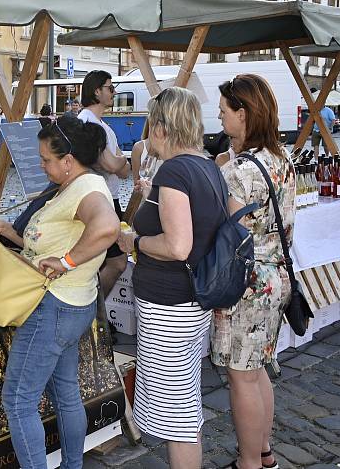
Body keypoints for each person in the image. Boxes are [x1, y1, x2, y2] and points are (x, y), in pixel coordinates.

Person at [0, 115, 119, 469]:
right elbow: (45, 244)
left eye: (46, 160)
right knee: (66, 393)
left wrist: (67, 261)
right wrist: (8, 230)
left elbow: (107, 228)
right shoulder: (78, 186)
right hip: (73, 304)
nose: (41, 166)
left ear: (68, 162)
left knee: (18, 400)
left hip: (55, 308)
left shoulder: (86, 191)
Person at [117, 87, 226, 469]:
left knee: (177, 416)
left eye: (151, 126)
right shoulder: (207, 164)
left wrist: (135, 240)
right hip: (189, 301)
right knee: (184, 403)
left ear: (163, 127)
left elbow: (178, 245)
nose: (148, 137)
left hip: (170, 305)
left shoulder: (176, 170)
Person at [212, 74, 297, 469]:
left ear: (242, 114)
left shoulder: (239, 171)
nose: (220, 117)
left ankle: (248, 463)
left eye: (225, 111)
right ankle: (264, 454)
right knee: (258, 368)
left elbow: (228, 234)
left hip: (247, 284)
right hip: (276, 276)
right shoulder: (281, 158)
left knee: (241, 377)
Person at [79, 70, 131, 296]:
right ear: (96, 91)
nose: (114, 92)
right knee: (117, 262)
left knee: (107, 261)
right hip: (97, 201)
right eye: (110, 88)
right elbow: (112, 165)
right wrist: (119, 160)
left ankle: (92, 312)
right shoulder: (87, 122)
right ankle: (91, 309)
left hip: (111, 199)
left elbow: (124, 171)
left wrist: (117, 162)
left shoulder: (105, 126)